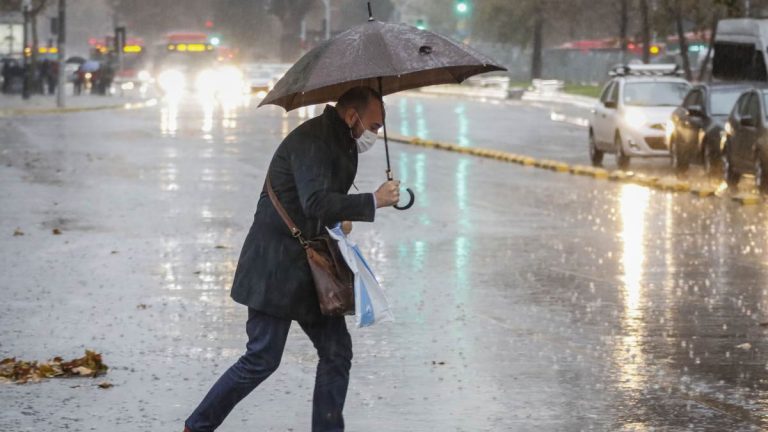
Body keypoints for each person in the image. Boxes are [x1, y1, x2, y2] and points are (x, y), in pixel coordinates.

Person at [184, 86, 400, 432]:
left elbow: (319, 203)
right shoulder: (313, 140)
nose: (374, 134)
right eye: (374, 127)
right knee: (261, 359)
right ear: (352, 116)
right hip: (276, 267)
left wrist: (340, 218)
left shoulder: (339, 141)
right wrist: (372, 201)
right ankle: (197, 426)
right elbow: (315, 201)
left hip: (309, 270)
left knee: (337, 352)